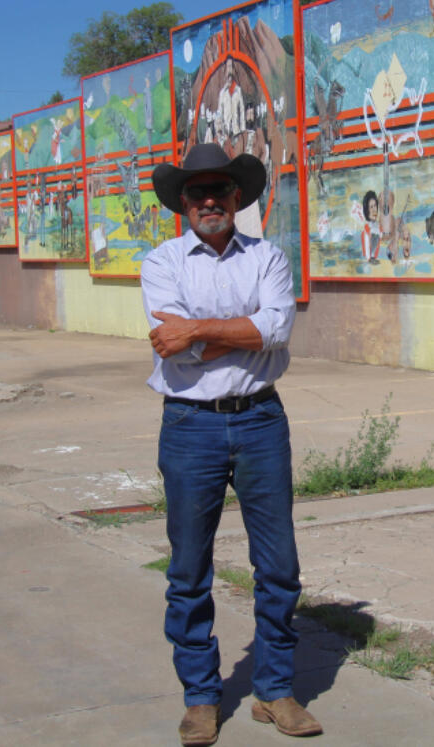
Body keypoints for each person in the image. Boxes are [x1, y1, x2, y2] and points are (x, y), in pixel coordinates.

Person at [141, 143, 321, 746]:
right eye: (198, 192)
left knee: (279, 567)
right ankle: (200, 696)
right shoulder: (161, 262)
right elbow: (174, 343)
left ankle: (274, 690)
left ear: (238, 198)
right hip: (189, 426)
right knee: (189, 568)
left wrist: (197, 330)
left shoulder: (268, 257)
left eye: (220, 189)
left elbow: (276, 328)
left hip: (260, 421)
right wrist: (237, 336)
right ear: (183, 203)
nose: (210, 200)